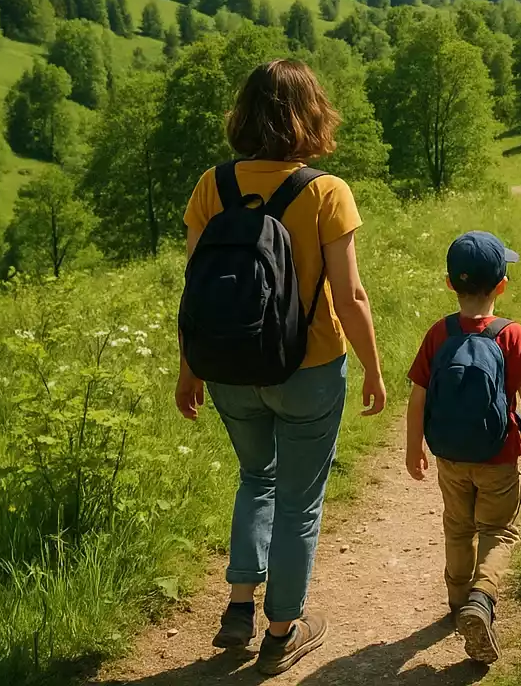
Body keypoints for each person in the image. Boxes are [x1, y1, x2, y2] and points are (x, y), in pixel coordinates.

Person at [176, 59, 388, 677]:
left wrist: (189, 368)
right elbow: (350, 297)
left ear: (243, 115)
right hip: (311, 366)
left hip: (228, 367)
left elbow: (195, 289)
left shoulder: (210, 186)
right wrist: (374, 369)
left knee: (254, 479)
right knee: (299, 502)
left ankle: (239, 607)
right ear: (312, 116)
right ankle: (282, 627)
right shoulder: (326, 191)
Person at [404, 231, 521, 665]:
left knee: (458, 526)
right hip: (498, 456)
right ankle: (482, 599)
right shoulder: (510, 335)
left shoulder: (439, 333)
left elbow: (417, 396)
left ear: (450, 284)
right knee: (497, 530)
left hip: (449, 456)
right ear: (503, 285)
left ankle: (457, 602)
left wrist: (413, 447)